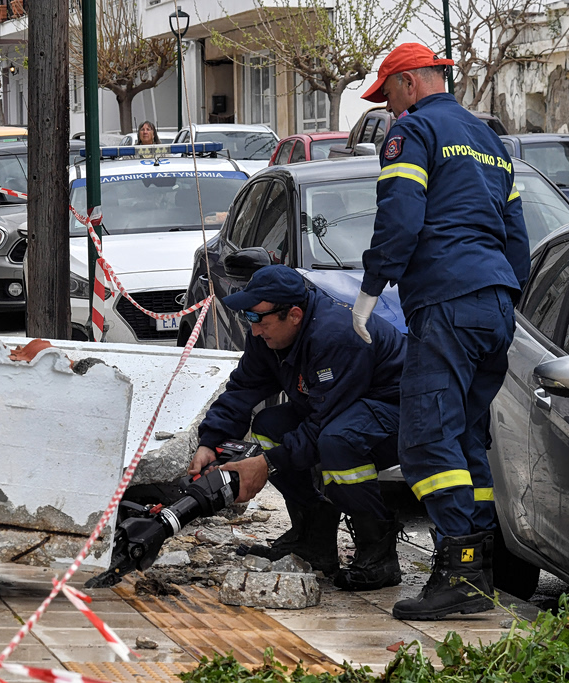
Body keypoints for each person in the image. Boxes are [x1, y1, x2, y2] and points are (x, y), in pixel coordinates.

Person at [352, 43, 530, 620]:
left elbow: (400, 215)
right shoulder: (488, 140)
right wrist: (504, 294)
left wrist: (372, 287)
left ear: (408, 83)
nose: (390, 109)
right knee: (465, 440)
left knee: (427, 440)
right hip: (494, 304)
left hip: (447, 301)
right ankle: (473, 569)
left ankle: (459, 566)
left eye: (389, 96)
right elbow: (515, 234)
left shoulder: (413, 134)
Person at [191, 265, 406, 590]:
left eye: (259, 320)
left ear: (293, 314)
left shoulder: (335, 336)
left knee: (337, 443)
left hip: (398, 413)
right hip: (342, 411)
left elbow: (324, 424)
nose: (254, 330)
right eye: (248, 318)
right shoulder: (269, 336)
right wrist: (210, 442)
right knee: (269, 426)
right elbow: (243, 389)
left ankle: (378, 554)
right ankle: (313, 539)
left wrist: (266, 464)